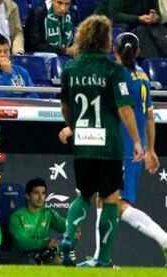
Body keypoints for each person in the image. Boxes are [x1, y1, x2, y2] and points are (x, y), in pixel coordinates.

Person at [65, 32, 167, 267]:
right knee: (106, 201)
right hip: (135, 148)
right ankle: (102, 259)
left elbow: (102, 110)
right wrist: (150, 149)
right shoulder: (143, 76)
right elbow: (150, 117)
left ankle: (162, 240)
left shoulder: (115, 75)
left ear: (114, 51)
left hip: (117, 147)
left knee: (116, 204)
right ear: (138, 52)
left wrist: (72, 129)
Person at [58, 15, 144, 267]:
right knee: (110, 198)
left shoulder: (70, 68)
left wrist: (74, 126)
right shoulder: (114, 70)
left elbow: (65, 107)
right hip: (108, 143)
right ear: (107, 41)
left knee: (83, 194)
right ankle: (104, 259)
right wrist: (137, 141)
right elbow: (125, 109)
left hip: (84, 139)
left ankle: (68, 236)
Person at [9, 178, 66, 265]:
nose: (40, 197)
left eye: (43, 193)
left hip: (42, 252)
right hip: (22, 256)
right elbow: (21, 242)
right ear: (27, 196)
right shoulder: (17, 216)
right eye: (36, 193)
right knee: (33, 262)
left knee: (58, 259)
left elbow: (64, 226)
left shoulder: (48, 213)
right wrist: (45, 243)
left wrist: (74, 228)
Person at [95, 0, 167, 58]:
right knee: (127, 28)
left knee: (155, 29)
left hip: (139, 23)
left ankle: (155, 63)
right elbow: (115, 15)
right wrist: (138, 19)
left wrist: (155, 18)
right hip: (108, 23)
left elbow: (157, 14)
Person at [0, 33, 39, 98]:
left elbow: (33, 96)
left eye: (6, 51)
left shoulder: (21, 71)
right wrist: (6, 73)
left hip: (21, 107)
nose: (3, 55)